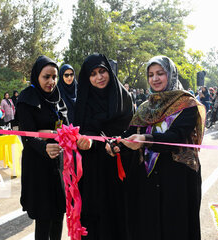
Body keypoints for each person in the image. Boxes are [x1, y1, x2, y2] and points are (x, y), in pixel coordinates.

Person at [109, 55, 205, 240]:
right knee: (150, 225)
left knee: (175, 227)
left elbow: (177, 136)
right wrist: (117, 144)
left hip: (177, 176)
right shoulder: (146, 107)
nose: (155, 79)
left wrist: (145, 139)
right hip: (149, 176)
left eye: (160, 73)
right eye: (151, 74)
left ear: (170, 74)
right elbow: (131, 133)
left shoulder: (187, 104)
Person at [73, 53, 134, 240]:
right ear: (86, 78)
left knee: (119, 218)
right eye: (93, 74)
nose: (99, 77)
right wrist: (85, 142)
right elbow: (79, 132)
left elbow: (131, 131)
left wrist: (117, 143)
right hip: (92, 172)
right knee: (95, 222)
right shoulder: (82, 103)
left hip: (119, 168)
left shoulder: (124, 98)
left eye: (102, 71)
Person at [16, 56, 68, 240]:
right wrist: (44, 143)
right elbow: (27, 135)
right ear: (36, 76)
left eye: (54, 77)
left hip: (57, 164)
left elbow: (66, 128)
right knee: (44, 216)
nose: (51, 82)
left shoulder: (58, 99)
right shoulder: (26, 99)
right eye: (46, 77)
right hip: (37, 164)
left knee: (59, 213)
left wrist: (50, 132)